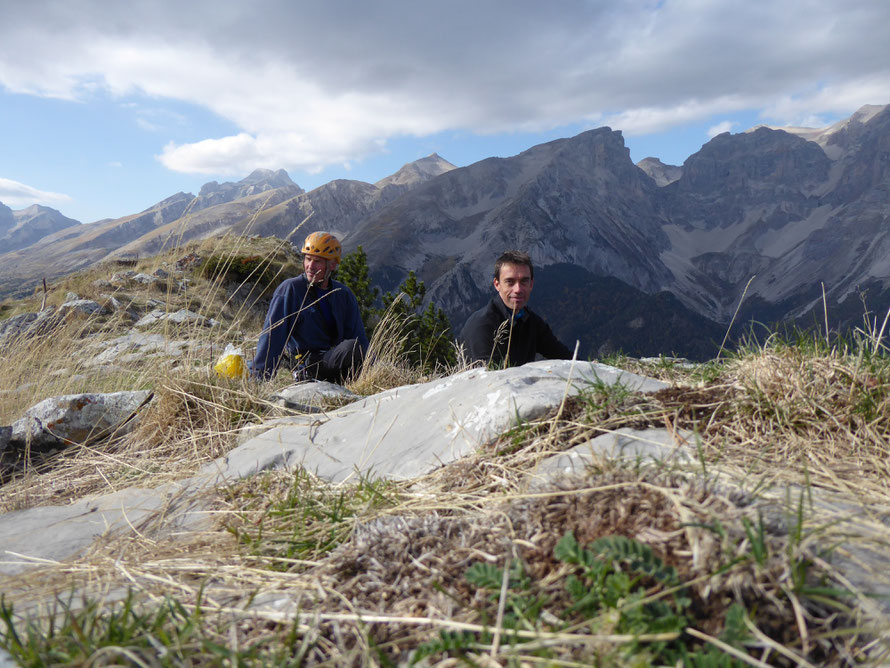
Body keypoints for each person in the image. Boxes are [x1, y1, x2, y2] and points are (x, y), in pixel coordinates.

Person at [250, 231, 369, 383]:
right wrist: (259, 377)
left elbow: (359, 338)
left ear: (332, 265)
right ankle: (308, 376)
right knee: (350, 348)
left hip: (335, 359)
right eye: (307, 259)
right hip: (308, 363)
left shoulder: (343, 294)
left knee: (354, 348)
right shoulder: (291, 289)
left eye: (317, 261)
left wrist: (370, 370)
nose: (310, 266)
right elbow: (273, 335)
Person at [459, 250, 573, 367]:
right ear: (497, 284)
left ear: (531, 284)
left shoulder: (530, 321)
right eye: (510, 281)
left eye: (524, 281)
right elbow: (486, 376)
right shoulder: (482, 325)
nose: (518, 289)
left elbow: (561, 354)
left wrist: (591, 368)